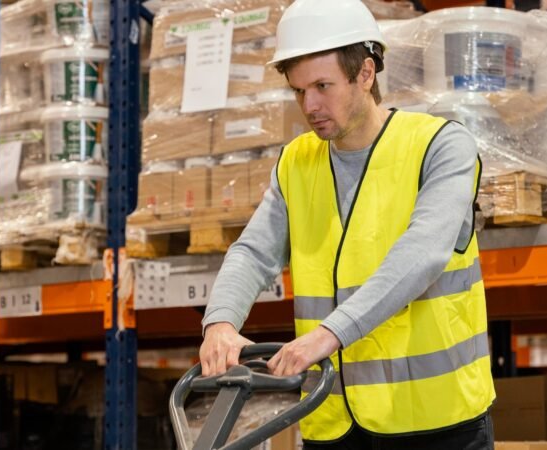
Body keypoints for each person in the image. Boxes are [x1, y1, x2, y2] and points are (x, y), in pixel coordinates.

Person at [199, 0, 496, 448]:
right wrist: (220, 322)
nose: (310, 105)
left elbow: (423, 254)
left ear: (366, 73)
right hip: (333, 421)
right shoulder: (297, 162)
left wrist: (327, 335)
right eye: (299, 91)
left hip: (435, 422)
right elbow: (253, 252)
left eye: (322, 85)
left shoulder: (439, 146)